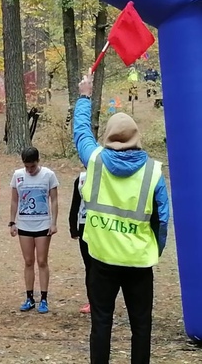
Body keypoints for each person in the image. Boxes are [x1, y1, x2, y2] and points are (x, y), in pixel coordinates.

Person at [74, 69, 170, 364]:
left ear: (108, 136)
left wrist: (84, 96)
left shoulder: (94, 161)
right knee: (141, 326)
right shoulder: (153, 172)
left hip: (102, 260)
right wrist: (153, 250)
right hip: (139, 263)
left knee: (101, 323)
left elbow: (81, 133)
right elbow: (162, 221)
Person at [9, 146, 58, 314]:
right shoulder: (18, 175)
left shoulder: (48, 175)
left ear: (38, 161)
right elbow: (14, 200)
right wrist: (12, 222)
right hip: (24, 224)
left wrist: (53, 223)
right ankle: (29, 297)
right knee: (28, 261)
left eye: (33, 166)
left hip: (43, 224)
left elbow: (54, 200)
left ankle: (44, 298)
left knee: (42, 261)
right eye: (27, 166)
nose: (30, 170)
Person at [68, 170, 91, 314]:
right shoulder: (81, 179)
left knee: (101, 266)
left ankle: (104, 299)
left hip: (102, 227)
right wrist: (73, 227)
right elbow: (75, 204)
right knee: (89, 266)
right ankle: (92, 300)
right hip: (84, 225)